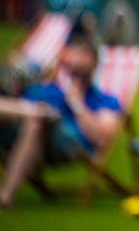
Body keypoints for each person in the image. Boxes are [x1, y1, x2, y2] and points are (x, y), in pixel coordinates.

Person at [0, 28, 122, 208]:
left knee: (38, 121)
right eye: (75, 64)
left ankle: (5, 196)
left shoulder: (104, 101)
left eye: (86, 60)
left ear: (95, 64)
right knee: (35, 117)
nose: (80, 69)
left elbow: (103, 138)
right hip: (21, 133)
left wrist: (78, 105)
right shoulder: (44, 90)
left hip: (65, 144)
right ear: (63, 60)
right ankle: (33, 113)